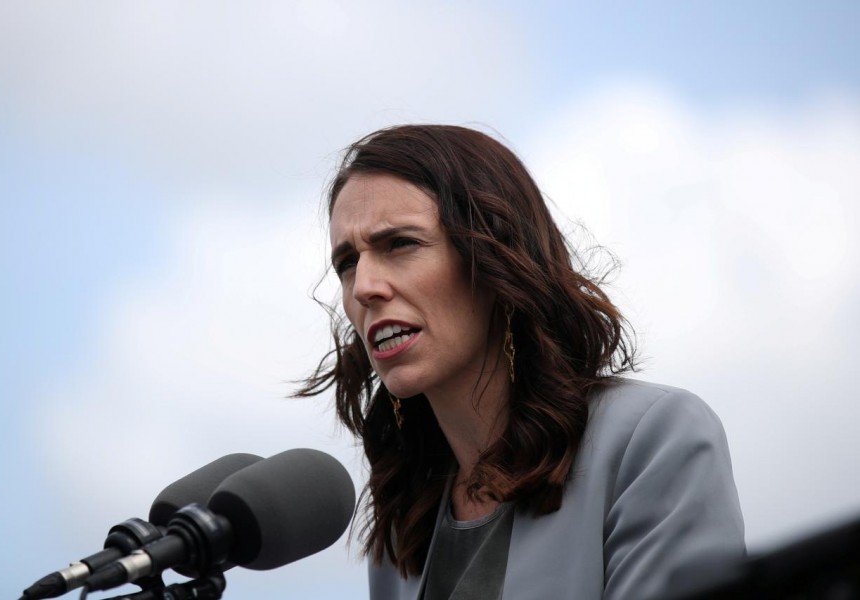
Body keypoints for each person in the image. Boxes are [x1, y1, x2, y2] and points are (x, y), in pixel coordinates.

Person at [297, 124, 744, 599]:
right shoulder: (401, 527)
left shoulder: (651, 438)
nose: (364, 286)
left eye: (400, 244)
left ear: (494, 256)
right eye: (347, 262)